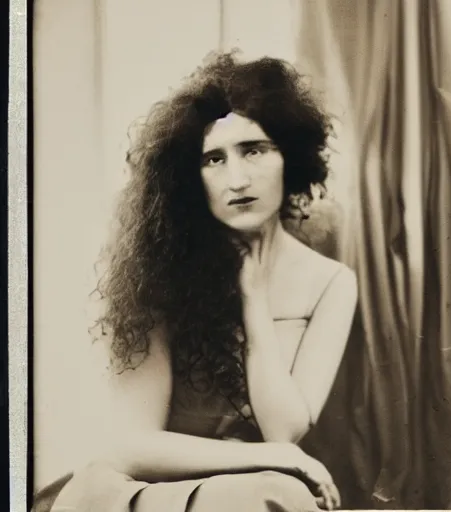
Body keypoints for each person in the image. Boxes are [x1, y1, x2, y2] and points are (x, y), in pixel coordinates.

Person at [34, 52, 358, 512]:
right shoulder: (159, 273)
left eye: (254, 150)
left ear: (290, 157)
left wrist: (252, 298)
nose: (238, 178)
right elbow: (133, 446)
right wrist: (275, 458)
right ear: (189, 178)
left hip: (250, 489)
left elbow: (284, 431)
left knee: (279, 495)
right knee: (278, 493)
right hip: (135, 491)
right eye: (213, 159)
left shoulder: (332, 282)